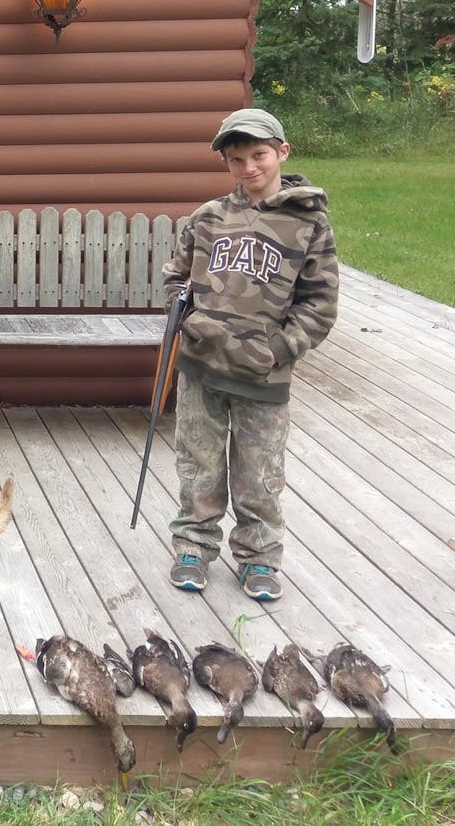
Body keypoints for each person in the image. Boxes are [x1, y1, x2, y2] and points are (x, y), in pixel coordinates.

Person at [162, 108, 339, 601]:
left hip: (264, 377)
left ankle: (259, 558)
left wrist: (278, 349)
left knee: (259, 471)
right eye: (236, 159)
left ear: (281, 152)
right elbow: (176, 279)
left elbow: (320, 304)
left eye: (258, 155)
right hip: (200, 368)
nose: (249, 168)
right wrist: (188, 321)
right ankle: (193, 547)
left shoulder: (309, 224)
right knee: (198, 463)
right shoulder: (207, 218)